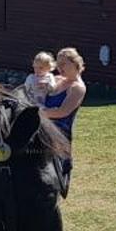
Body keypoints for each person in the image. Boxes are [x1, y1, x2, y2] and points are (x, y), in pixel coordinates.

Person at [38, 47, 87, 186]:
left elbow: (62, 112)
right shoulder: (56, 79)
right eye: (58, 64)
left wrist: (38, 112)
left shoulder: (77, 87)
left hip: (58, 134)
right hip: (41, 125)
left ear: (75, 63)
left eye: (63, 63)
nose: (59, 67)